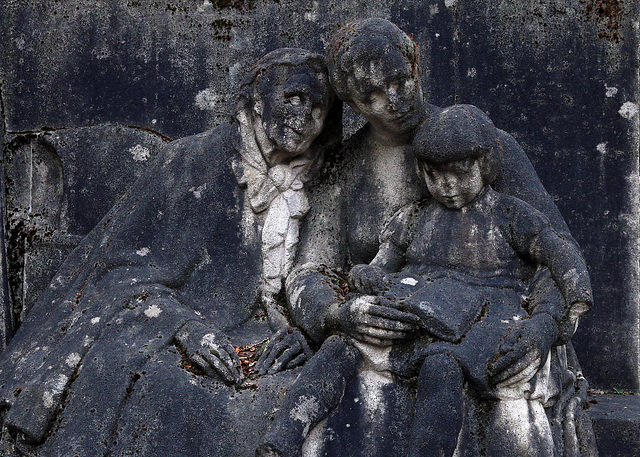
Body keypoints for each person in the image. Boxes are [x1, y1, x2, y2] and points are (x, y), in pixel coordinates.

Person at [0, 48, 339, 457]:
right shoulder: (191, 160)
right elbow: (122, 273)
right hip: (175, 324)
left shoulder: (325, 181)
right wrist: (186, 328)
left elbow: (328, 275)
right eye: (295, 98)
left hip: (264, 337)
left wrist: (306, 332)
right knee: (168, 394)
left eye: (319, 108)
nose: (306, 119)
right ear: (257, 95)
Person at [284, 18, 595, 456]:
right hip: (392, 326)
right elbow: (310, 269)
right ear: (352, 104)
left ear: (416, 67)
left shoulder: (486, 145)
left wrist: (543, 328)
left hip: (498, 326)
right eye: (371, 96)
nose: (392, 101)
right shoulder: (344, 169)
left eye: (398, 81)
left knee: (506, 416)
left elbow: (553, 253)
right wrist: (339, 313)